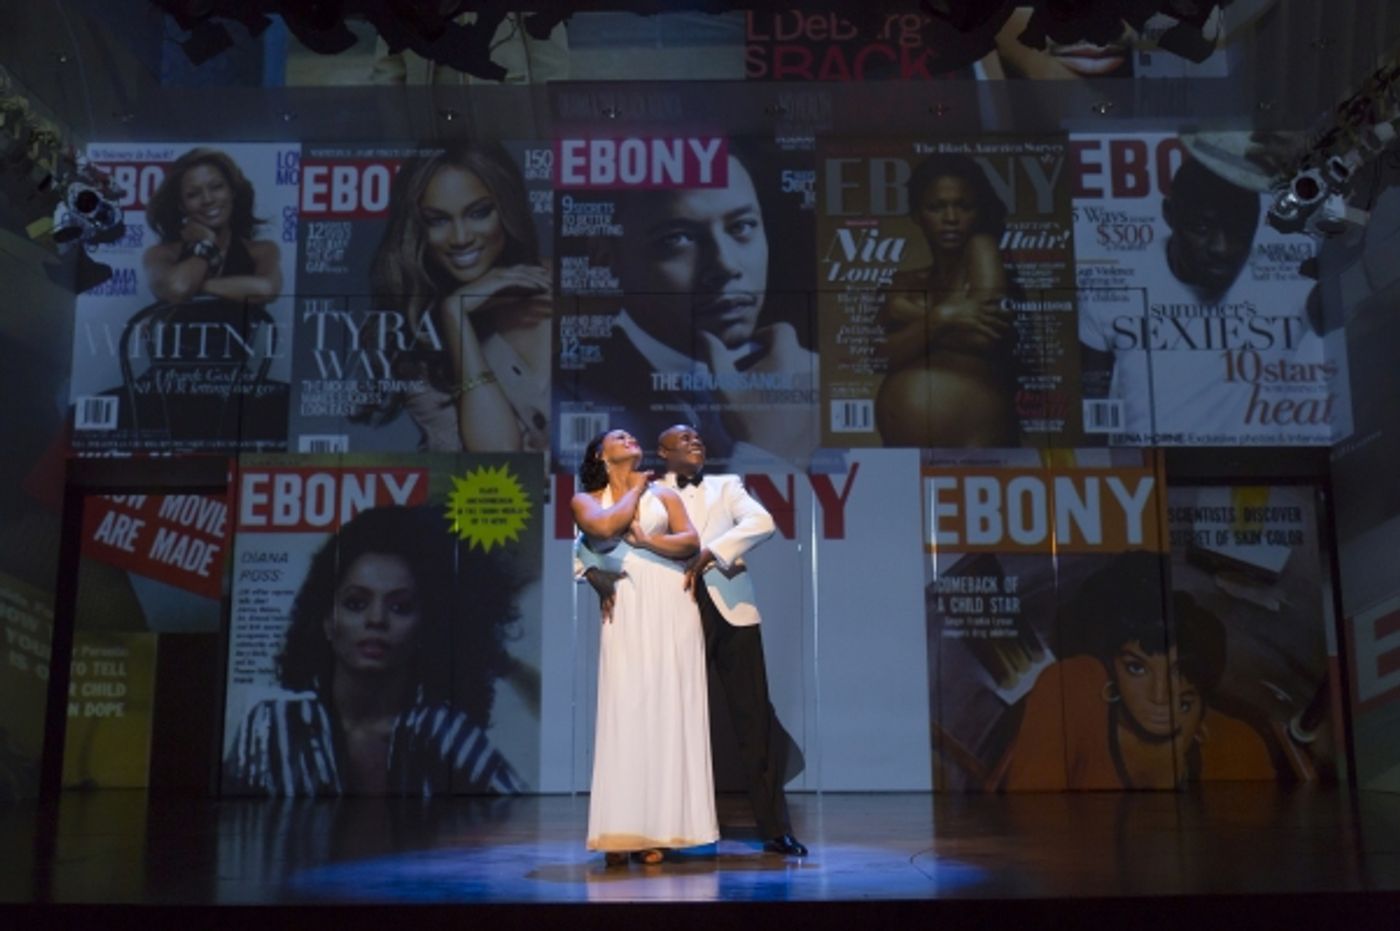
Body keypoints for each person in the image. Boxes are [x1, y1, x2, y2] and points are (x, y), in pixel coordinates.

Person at [578, 423, 807, 857]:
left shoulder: (726, 485)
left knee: (754, 717)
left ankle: (776, 828)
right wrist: (592, 574)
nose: (696, 442)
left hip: (728, 607)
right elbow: (587, 536)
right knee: (657, 713)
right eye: (683, 440)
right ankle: (654, 826)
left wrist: (710, 551)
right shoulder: (641, 487)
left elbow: (762, 521)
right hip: (663, 607)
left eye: (699, 438)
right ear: (661, 452)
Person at [223, 505, 523, 796]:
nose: (376, 619)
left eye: (400, 607)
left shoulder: (447, 734)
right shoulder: (270, 727)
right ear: (326, 620)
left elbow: (523, 821)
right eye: (356, 603)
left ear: (427, 627)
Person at [560, 148, 818, 470]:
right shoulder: (567, 403)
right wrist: (769, 455)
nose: (725, 265)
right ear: (606, 259)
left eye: (741, 227)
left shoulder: (813, 379)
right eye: (677, 239)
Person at [1002, 554, 1275, 791]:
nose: (1159, 696)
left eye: (1179, 675)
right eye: (1136, 668)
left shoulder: (1241, 746)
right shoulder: (1075, 685)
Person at [571, 428, 718, 866]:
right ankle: (621, 829)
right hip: (628, 605)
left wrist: (649, 541)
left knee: (668, 711)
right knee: (627, 711)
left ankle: (658, 829)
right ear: (601, 453)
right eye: (619, 436)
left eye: (634, 436)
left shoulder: (665, 495)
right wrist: (633, 490)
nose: (630, 438)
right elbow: (603, 529)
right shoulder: (587, 499)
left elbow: (689, 541)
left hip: (672, 604)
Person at [365, 144, 551, 453]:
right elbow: (498, 461)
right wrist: (455, 314)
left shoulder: (569, 285)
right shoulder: (419, 346)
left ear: (507, 210)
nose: (461, 237)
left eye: (479, 213)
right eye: (437, 220)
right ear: (416, 230)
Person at [874, 152, 1018, 447]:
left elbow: (983, 337)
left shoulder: (981, 247)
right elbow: (879, 356)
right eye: (936, 207)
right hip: (900, 452)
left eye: (963, 206)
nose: (951, 218)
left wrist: (911, 317)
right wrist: (946, 316)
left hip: (975, 441)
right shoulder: (905, 281)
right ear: (916, 214)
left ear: (978, 211)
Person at [144, 147, 282, 306]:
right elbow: (178, 289)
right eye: (193, 194)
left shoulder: (262, 250)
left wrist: (198, 286)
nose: (208, 199)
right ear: (181, 205)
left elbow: (267, 289)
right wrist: (205, 244)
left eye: (216, 187)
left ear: (232, 191)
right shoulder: (161, 254)